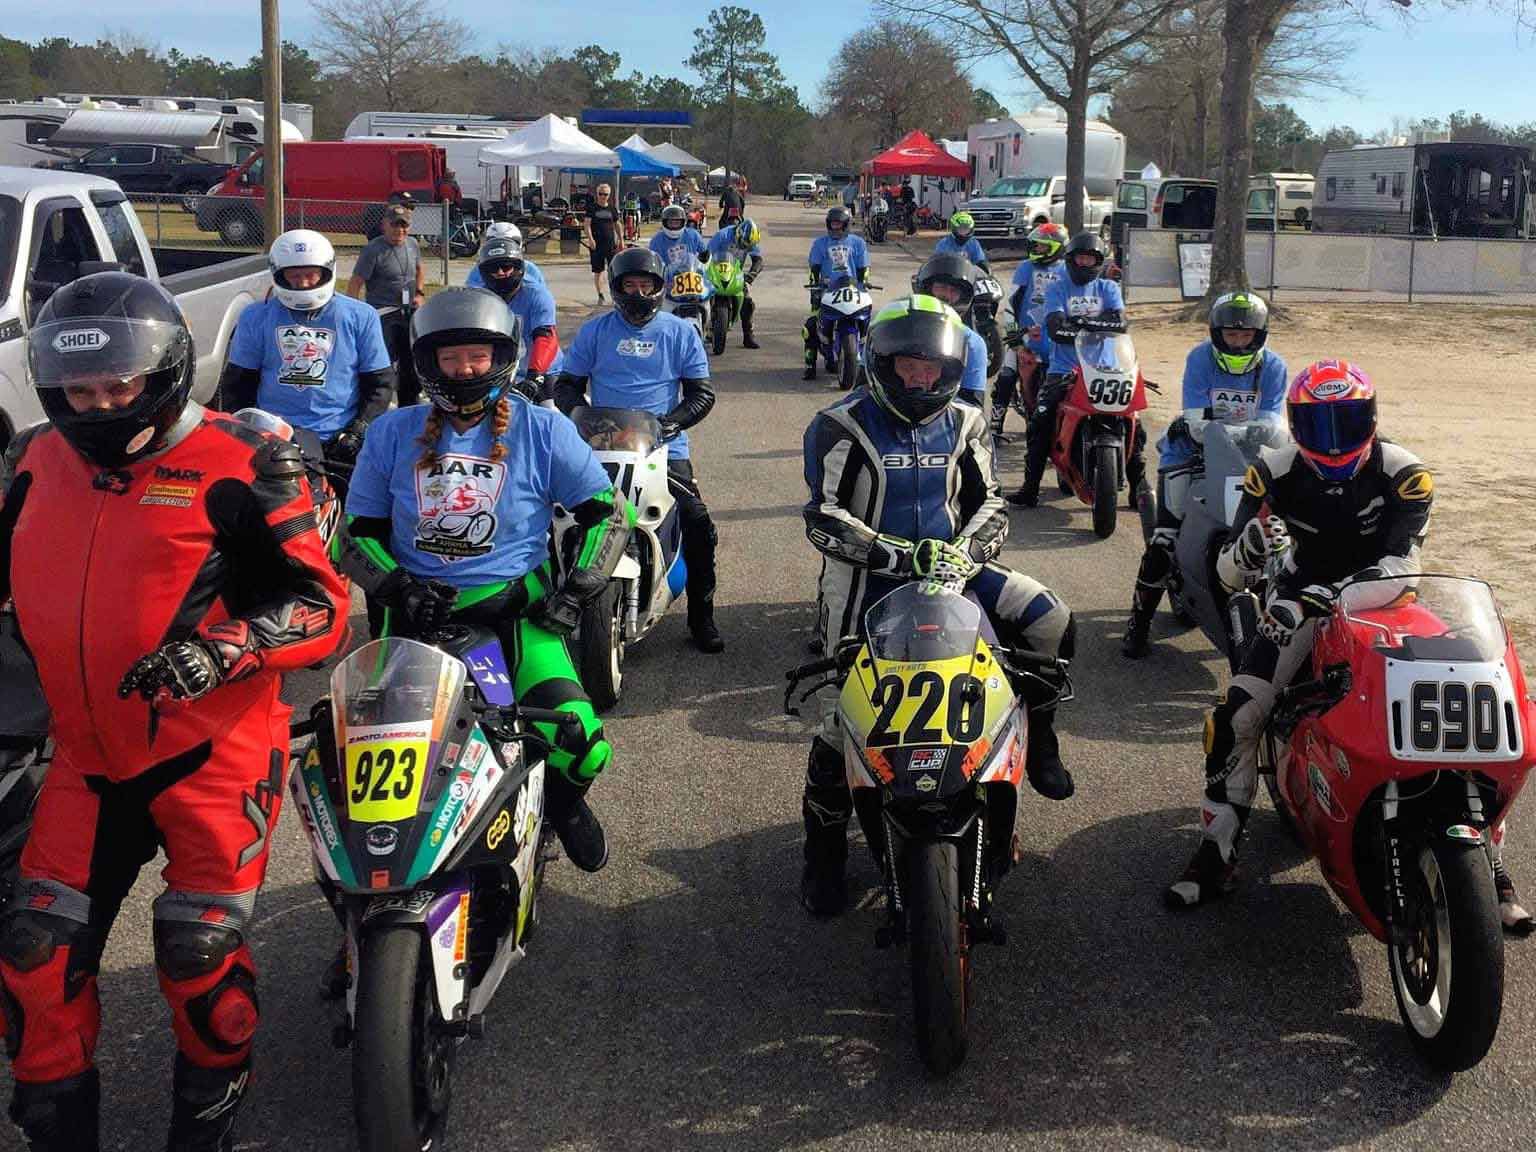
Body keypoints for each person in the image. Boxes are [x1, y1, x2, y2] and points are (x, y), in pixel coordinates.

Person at [0, 272, 349, 1150]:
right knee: (34, 949)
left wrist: (221, 649)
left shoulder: (242, 461)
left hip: (214, 752)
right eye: (80, 389)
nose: (100, 404)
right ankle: (57, 1124)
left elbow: (324, 604)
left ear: (165, 371)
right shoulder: (37, 458)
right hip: (83, 755)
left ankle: (205, 1127)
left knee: (195, 954)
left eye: (119, 386)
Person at [799, 295, 1076, 915]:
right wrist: (896, 555)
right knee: (835, 723)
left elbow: (992, 503)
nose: (922, 378)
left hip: (955, 570)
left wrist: (966, 555)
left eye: (933, 368)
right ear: (881, 364)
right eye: (908, 367)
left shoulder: (968, 420)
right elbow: (823, 518)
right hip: (865, 583)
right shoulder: (839, 424)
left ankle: (1044, 739)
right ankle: (823, 857)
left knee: (1048, 617)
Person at [342, 288, 629, 874]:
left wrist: (575, 594)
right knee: (370, 783)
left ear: (502, 357)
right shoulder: (391, 433)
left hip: (519, 622)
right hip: (415, 622)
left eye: (477, 356)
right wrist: (398, 587)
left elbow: (608, 513)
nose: (465, 370)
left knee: (582, 742)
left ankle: (562, 806)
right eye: (450, 359)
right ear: (427, 363)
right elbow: (354, 535)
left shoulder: (542, 429)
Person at [554, 248, 724, 653]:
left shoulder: (681, 332)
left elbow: (702, 394)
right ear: (615, 289)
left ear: (658, 287)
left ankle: (703, 616)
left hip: (662, 447)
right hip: (600, 446)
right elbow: (566, 385)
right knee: (555, 517)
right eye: (628, 285)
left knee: (698, 524)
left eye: (645, 285)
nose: (637, 292)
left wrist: (673, 422)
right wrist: (581, 415)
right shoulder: (595, 332)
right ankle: (553, 597)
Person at [1123, 292, 1287, 658]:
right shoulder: (1200, 358)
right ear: (1217, 333)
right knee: (1165, 538)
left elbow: (1275, 423)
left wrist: (1255, 433)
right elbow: (1196, 421)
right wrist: (1244, 427)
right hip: (1188, 454)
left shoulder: (1274, 366)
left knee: (1275, 534)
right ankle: (1138, 622)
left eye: (1246, 335)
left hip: (1249, 460)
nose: (1238, 341)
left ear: (1259, 335)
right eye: (1231, 334)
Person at [218, 230, 394, 486]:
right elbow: (238, 383)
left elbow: (380, 383)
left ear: (326, 270)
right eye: (294, 275)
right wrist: (247, 432)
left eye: (310, 274)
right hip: (274, 438)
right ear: (279, 274)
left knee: (351, 515)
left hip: (338, 439)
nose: (302, 283)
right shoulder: (255, 316)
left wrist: (358, 431)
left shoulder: (360, 316)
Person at [1007, 231, 1130, 508]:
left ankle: (1139, 487)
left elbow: (1121, 324)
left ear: (1098, 261)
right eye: (1080, 258)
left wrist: (1077, 323)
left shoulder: (1108, 288)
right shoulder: (1057, 288)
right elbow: (1056, 329)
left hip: (1105, 369)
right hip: (1063, 369)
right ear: (1071, 259)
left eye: (1091, 259)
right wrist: (1098, 322)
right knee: (1039, 421)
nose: (1085, 264)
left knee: (1133, 420)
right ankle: (1030, 488)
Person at [995, 222, 1068, 442]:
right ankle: (996, 423)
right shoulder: (1026, 267)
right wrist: (1013, 335)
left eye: (1042, 247)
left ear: (1057, 247)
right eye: (1034, 246)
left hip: (1056, 339)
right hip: (1025, 336)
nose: (1036, 251)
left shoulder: (1067, 270)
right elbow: (1011, 304)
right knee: (1007, 376)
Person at [469, 230, 563, 401]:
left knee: (551, 414)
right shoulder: (478, 299)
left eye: (506, 267)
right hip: (502, 371)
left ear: (519, 267)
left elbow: (546, 337)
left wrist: (535, 376)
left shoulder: (537, 295)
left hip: (542, 370)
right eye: (493, 268)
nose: (500, 273)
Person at [347, 203, 425, 406]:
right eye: (395, 225)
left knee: (411, 360)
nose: (400, 230)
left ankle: (410, 403)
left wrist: (420, 292)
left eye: (404, 226)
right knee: (382, 362)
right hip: (383, 313)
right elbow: (356, 282)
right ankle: (376, 403)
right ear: (385, 225)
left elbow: (419, 269)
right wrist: (354, 314)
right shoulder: (373, 249)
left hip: (408, 311)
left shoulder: (413, 244)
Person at [912, 252, 988, 409]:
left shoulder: (972, 343)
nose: (946, 295)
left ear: (963, 296)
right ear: (928, 288)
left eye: (954, 291)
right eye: (941, 287)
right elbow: (865, 387)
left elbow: (973, 407)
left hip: (944, 424)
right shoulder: (896, 327)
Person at [802, 206, 870, 382]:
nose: (835, 228)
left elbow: (864, 269)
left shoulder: (858, 243)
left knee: (869, 323)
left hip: (852, 290)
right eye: (832, 224)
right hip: (827, 291)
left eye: (839, 224)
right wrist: (814, 290)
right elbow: (814, 269)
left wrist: (863, 285)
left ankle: (864, 361)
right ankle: (810, 365)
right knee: (810, 327)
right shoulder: (820, 243)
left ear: (846, 224)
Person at [706, 217, 764, 350]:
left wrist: (750, 278)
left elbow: (758, 260)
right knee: (702, 296)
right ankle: (706, 327)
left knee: (748, 302)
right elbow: (707, 254)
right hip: (716, 270)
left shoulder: (751, 239)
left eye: (747, 246)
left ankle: (748, 336)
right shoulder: (722, 235)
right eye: (743, 244)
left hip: (735, 272)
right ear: (738, 233)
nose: (744, 247)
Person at [465, 221, 548, 291]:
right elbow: (471, 297)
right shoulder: (479, 270)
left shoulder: (530, 269)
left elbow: (540, 294)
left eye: (509, 244)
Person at [583, 183, 622, 303]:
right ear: (597, 194)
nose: (602, 196)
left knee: (613, 270)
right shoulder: (591, 208)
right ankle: (600, 294)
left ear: (609, 195)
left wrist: (621, 239)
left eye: (605, 194)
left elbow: (617, 224)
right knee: (598, 270)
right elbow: (587, 225)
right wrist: (590, 239)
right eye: (600, 194)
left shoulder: (612, 209)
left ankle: (615, 294)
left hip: (610, 243)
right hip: (597, 244)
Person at [649, 204, 709, 271]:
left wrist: (701, 266)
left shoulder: (693, 235)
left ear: (683, 222)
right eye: (671, 222)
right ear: (665, 222)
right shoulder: (656, 241)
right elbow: (653, 263)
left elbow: (705, 254)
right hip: (668, 279)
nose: (674, 225)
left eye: (677, 222)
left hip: (692, 276)